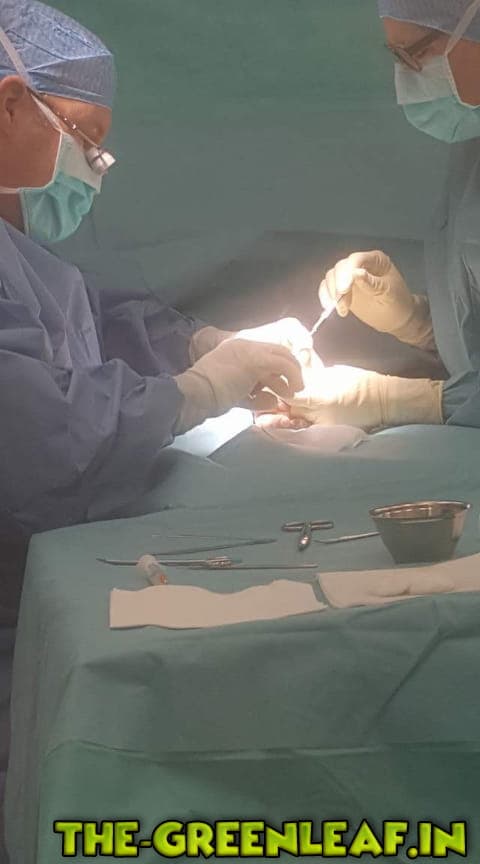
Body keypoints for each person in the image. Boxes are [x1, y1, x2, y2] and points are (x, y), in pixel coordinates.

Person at [0, 2, 316, 857]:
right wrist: (201, 390)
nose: (94, 167)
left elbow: (87, 320)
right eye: (84, 136)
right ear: (11, 102)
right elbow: (41, 434)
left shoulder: (18, 250)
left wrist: (198, 342)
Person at [289, 0, 480, 431]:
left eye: (416, 52)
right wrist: (416, 322)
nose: (405, 74)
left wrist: (408, 402)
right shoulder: (472, 141)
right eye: (395, 55)